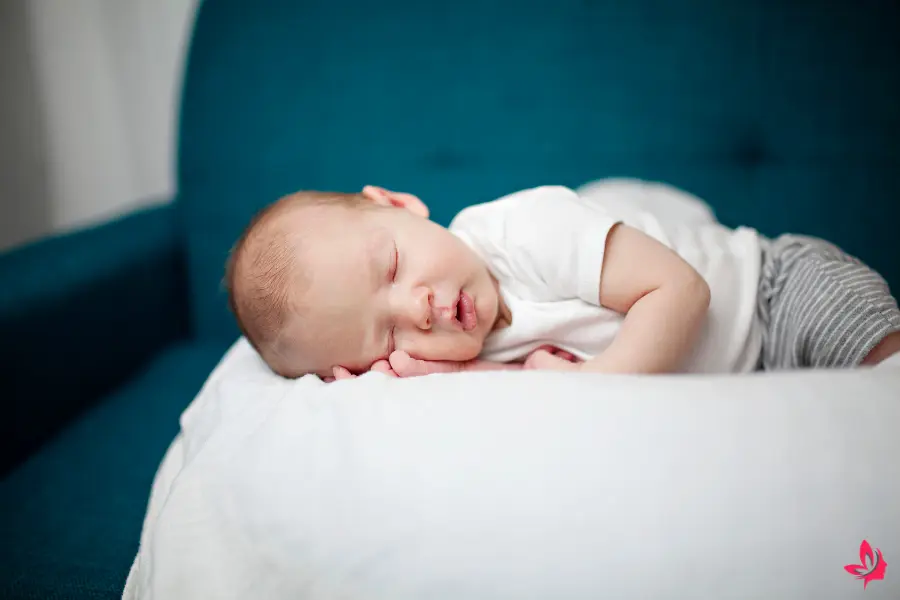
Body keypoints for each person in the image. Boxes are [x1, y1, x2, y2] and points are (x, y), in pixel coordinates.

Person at [224, 182, 900, 380]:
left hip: (774, 293)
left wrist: (594, 394)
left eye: (394, 269)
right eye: (386, 335)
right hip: (744, 380)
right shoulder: (457, 353)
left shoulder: (523, 230)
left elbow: (681, 292)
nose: (419, 310)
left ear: (402, 206)